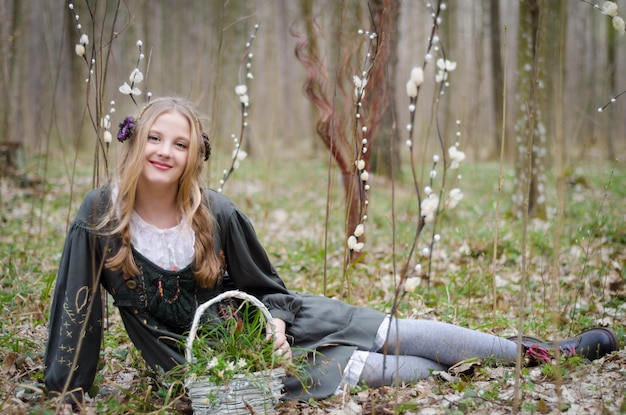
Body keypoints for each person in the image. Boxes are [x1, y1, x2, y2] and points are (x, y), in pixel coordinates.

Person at [44, 97, 620, 410]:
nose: (165, 151)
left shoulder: (215, 213)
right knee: (392, 372)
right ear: (134, 138)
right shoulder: (101, 216)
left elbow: (266, 287)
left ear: (195, 155)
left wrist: (271, 320)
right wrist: (67, 388)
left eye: (180, 142)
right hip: (226, 367)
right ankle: (467, 373)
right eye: (155, 136)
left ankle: (544, 352)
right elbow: (77, 309)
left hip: (277, 326)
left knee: (401, 330)